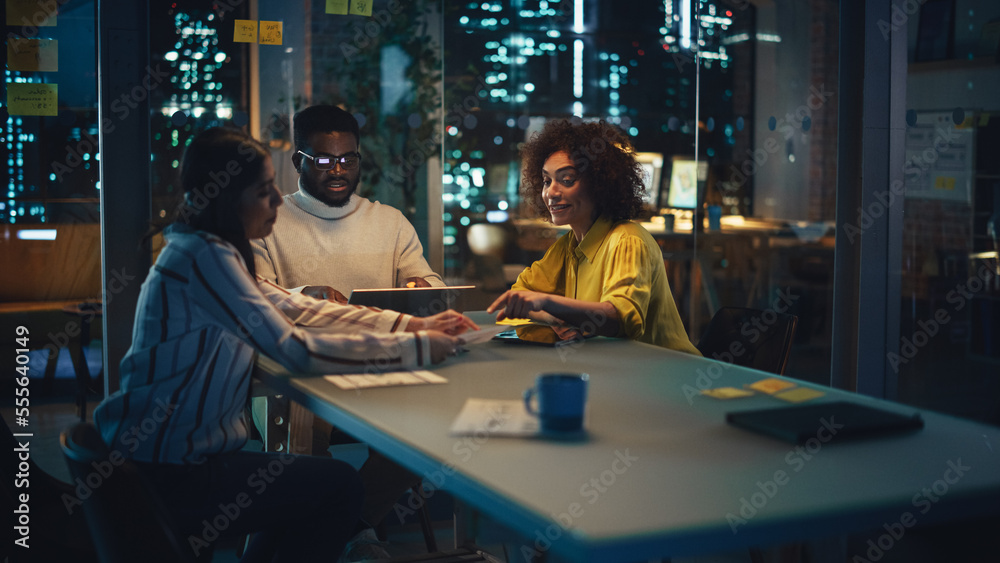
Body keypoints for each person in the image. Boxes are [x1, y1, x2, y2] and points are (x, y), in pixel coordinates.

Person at [93, 127, 475, 562]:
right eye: (263, 190)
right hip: (172, 472)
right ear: (225, 198)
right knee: (337, 487)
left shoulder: (210, 251)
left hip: (167, 462)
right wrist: (421, 350)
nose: (277, 200)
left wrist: (408, 325)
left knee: (318, 491)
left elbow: (300, 308)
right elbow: (296, 350)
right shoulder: (206, 257)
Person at [488, 118, 701, 355]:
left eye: (567, 180)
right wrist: (555, 319)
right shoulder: (568, 245)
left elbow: (621, 318)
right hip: (616, 373)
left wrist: (547, 303)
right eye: (547, 181)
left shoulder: (627, 240)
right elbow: (521, 296)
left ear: (600, 183)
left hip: (667, 375)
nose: (551, 193)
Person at [252, 104, 443, 303]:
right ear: (297, 162)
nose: (338, 171)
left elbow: (433, 286)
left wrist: (422, 287)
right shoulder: (265, 223)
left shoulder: (391, 222)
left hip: (382, 334)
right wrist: (303, 296)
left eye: (348, 160)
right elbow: (258, 300)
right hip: (305, 335)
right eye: (324, 161)